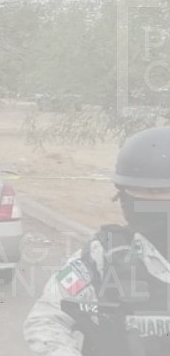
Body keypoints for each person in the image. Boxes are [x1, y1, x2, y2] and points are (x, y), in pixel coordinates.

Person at [23, 126, 170, 355]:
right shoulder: (101, 256)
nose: (148, 201)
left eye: (159, 191)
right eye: (137, 191)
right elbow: (46, 317)